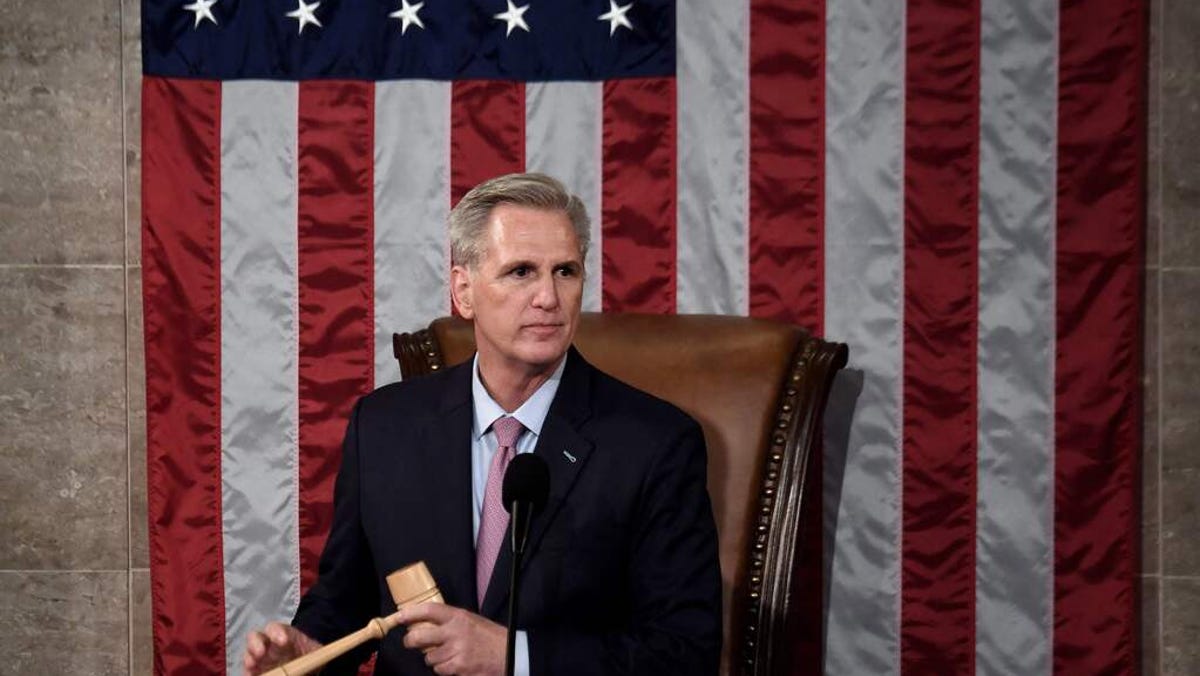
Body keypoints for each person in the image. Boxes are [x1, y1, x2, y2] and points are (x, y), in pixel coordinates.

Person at [242, 173, 722, 676]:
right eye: (520, 272)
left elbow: (684, 654)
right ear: (463, 292)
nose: (548, 297)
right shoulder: (384, 428)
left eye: (565, 271)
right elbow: (348, 599)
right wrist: (310, 653)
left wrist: (514, 658)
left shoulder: (655, 444)